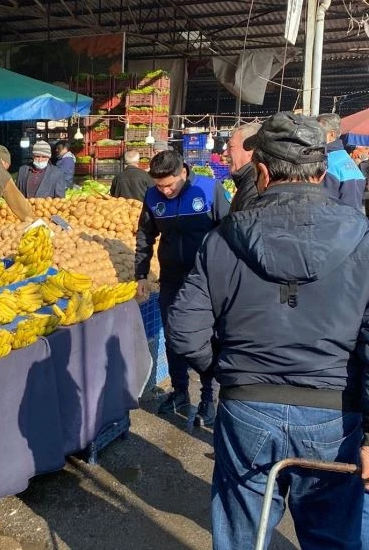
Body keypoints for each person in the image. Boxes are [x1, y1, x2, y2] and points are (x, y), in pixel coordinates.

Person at [166, 112, 369, 550]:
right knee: (333, 537)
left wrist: (227, 372)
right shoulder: (361, 235)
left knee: (243, 537)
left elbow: (184, 330)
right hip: (334, 414)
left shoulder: (222, 237)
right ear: (321, 170)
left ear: (260, 171)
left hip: (247, 408)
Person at [134, 149, 229, 426]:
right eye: (159, 185)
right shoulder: (152, 197)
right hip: (172, 280)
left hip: (207, 281)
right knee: (174, 337)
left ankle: (209, 397)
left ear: (183, 173)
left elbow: (230, 230)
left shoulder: (209, 190)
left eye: (169, 185)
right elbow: (145, 236)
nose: (164, 191)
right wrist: (141, 274)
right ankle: (179, 391)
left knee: (209, 339)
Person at [317, 113, 365, 211]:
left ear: (331, 135)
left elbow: (320, 204)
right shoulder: (345, 158)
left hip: (331, 221)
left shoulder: (326, 162)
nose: (313, 136)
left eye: (318, 132)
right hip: (353, 221)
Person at [226, 121, 261, 212]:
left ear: (251, 150)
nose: (225, 153)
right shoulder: (248, 181)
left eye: (231, 147)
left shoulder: (255, 184)